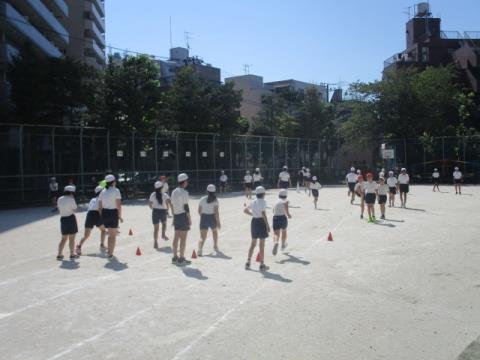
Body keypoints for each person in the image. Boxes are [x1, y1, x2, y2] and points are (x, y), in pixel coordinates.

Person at [244, 186, 270, 271]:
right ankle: (262, 264)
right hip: (261, 222)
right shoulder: (263, 201)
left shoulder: (253, 201)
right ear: (263, 194)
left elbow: (245, 210)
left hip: (254, 222)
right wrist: (267, 225)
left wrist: (253, 214)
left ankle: (248, 262)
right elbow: (263, 213)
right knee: (261, 245)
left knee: (253, 244)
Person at [76, 186, 106, 255]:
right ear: (101, 192)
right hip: (96, 214)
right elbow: (100, 209)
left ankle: (78, 247)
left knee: (86, 235)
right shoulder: (101, 199)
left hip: (89, 215)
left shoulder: (92, 199)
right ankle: (102, 245)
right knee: (103, 230)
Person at [98, 174, 123, 259]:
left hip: (105, 213)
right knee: (113, 235)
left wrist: (102, 215)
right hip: (113, 213)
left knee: (110, 234)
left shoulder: (102, 191)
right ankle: (110, 254)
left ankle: (109, 252)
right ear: (113, 182)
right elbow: (118, 205)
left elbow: (100, 206)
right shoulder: (116, 190)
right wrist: (119, 216)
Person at [171, 173, 192, 266]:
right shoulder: (185, 192)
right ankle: (181, 258)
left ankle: (175, 257)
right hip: (183, 216)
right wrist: (189, 218)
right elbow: (186, 206)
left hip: (176, 215)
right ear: (185, 182)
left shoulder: (174, 191)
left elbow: (172, 204)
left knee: (176, 237)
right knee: (183, 238)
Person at [56, 185, 79, 260]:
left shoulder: (59, 199)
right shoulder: (71, 199)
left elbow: (59, 209)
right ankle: (72, 254)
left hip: (63, 219)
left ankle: (59, 254)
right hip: (70, 218)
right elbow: (75, 210)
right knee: (72, 238)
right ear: (71, 192)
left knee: (63, 238)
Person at [198, 184, 221, 256]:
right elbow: (216, 212)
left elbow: (199, 211)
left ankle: (200, 250)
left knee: (202, 237)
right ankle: (215, 246)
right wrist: (218, 222)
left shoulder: (202, 199)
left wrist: (203, 217)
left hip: (203, 217)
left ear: (207, 191)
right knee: (214, 232)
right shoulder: (215, 201)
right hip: (212, 217)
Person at [149, 181, 172, 249]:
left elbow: (150, 204)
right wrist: (169, 209)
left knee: (156, 228)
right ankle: (163, 234)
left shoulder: (152, 195)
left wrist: (152, 207)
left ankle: (155, 242)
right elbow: (169, 202)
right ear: (161, 187)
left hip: (155, 211)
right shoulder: (164, 194)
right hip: (162, 211)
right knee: (164, 224)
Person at [272, 189, 291, 255]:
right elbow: (286, 206)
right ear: (286, 195)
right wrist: (288, 214)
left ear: (279, 195)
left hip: (275, 218)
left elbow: (273, 210)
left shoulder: (276, 201)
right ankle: (283, 245)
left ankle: (276, 242)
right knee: (284, 231)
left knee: (276, 234)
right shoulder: (286, 200)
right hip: (283, 218)